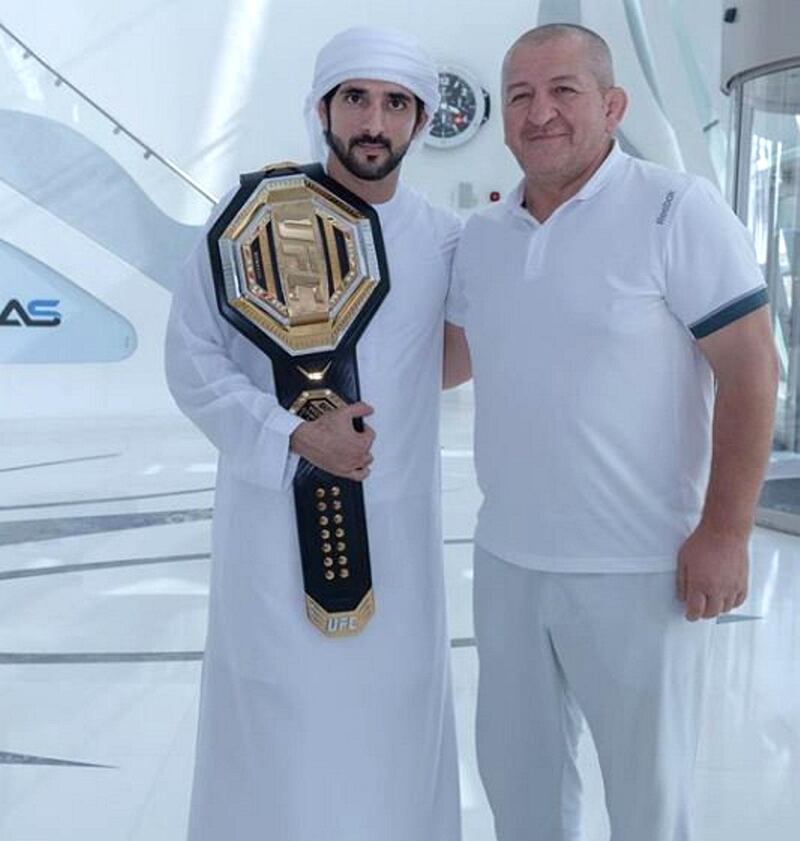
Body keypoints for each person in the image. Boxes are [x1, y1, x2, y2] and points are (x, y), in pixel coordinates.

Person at [445, 23, 779, 841]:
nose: (540, 112)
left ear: (612, 104)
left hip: (639, 570)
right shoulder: (482, 239)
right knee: (520, 793)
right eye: (520, 94)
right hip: (509, 563)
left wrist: (726, 531)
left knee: (646, 804)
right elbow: (444, 363)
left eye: (564, 90)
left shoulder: (675, 208)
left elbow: (751, 369)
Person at [165, 26, 465, 841]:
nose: (374, 121)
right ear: (323, 110)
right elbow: (191, 361)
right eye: (356, 99)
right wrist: (290, 436)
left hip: (396, 543)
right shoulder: (246, 221)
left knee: (395, 735)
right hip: (269, 543)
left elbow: (450, 355)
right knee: (274, 738)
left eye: (395, 103)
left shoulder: (444, 238)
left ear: (419, 121)